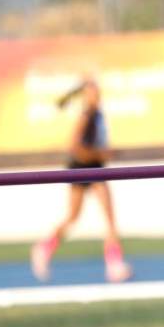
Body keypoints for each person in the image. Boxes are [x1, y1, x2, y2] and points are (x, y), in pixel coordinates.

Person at [30, 79, 133, 284]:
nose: (96, 96)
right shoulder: (86, 116)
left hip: (94, 166)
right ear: (85, 96)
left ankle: (114, 264)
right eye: (92, 93)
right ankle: (43, 249)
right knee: (73, 217)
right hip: (82, 166)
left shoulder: (98, 115)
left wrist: (102, 153)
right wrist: (102, 153)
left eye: (97, 92)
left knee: (108, 217)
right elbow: (75, 147)